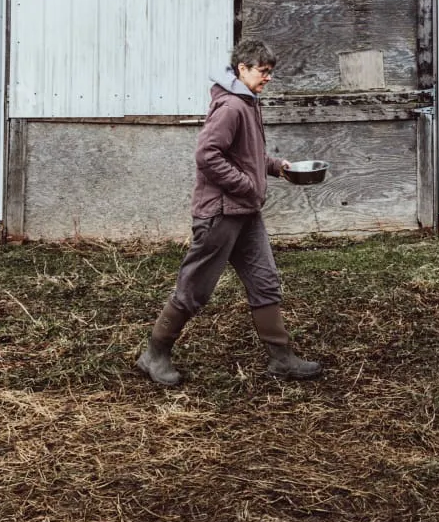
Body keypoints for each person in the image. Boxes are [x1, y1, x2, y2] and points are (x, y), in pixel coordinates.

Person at [136, 39, 322, 386]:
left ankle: (281, 358)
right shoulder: (232, 107)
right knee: (195, 288)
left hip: (245, 213)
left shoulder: (248, 103)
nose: (268, 78)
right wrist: (245, 185)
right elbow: (207, 155)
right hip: (220, 215)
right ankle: (154, 353)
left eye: (270, 73)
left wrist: (275, 166)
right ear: (243, 69)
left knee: (264, 281)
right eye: (263, 72)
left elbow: (245, 155)